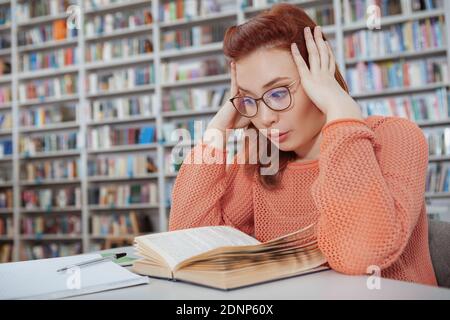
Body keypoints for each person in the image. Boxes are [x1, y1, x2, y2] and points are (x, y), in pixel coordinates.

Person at [168, 3, 437, 286]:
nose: (264, 117)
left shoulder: (395, 137)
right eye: (249, 100)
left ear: (318, 77)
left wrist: (339, 109)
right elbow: (189, 242)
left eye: (279, 92)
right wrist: (218, 128)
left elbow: (361, 255)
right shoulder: (261, 158)